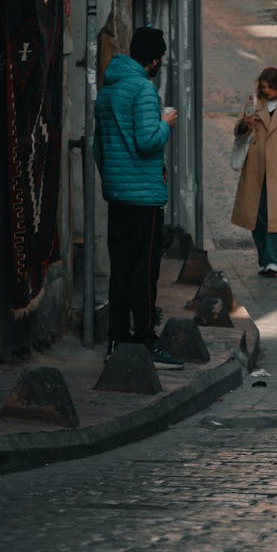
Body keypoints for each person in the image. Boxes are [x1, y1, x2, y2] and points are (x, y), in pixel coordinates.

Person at [94, 26, 184, 369]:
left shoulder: (108, 89)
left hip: (117, 195)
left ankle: (117, 339)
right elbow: (148, 141)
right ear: (154, 59)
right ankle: (146, 341)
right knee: (144, 273)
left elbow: (98, 148)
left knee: (120, 270)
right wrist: (166, 123)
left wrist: (113, 181)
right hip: (143, 199)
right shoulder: (143, 89)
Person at [231, 67, 277, 276]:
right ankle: (263, 259)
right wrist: (244, 125)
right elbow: (238, 133)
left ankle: (273, 261)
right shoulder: (254, 105)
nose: (265, 91)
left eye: (269, 87)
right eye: (262, 87)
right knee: (255, 216)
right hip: (255, 169)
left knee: (275, 217)